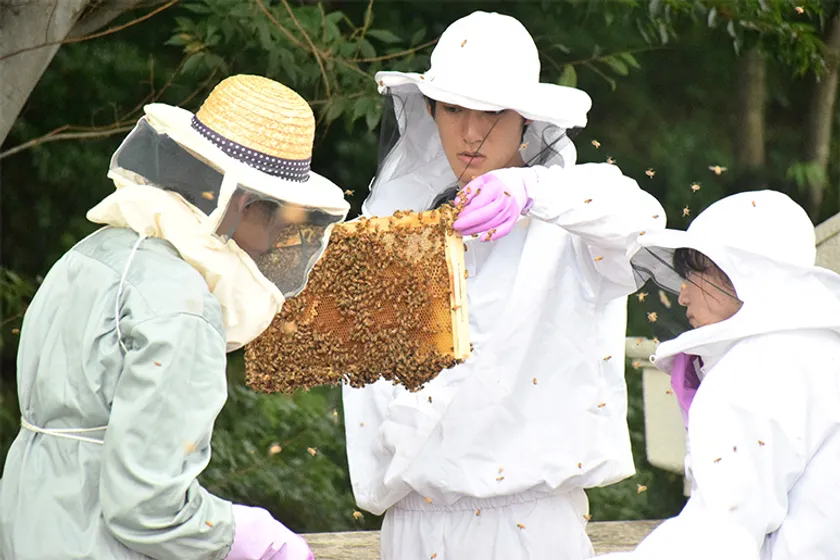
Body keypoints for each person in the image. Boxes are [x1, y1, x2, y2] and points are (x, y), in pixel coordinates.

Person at [342, 11, 667, 559]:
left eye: (493, 112)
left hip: (527, 528)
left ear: (527, 118)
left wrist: (532, 189)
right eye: (453, 109)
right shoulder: (396, 219)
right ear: (430, 110)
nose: (471, 132)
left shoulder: (571, 218)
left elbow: (643, 222)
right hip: (409, 528)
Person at [0, 75, 350, 559]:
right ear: (246, 204)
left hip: (31, 529)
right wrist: (236, 534)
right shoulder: (182, 305)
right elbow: (149, 509)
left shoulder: (91, 253)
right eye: (284, 219)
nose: (278, 242)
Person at [599, 190, 840, 560]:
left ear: (740, 273)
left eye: (695, 274)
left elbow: (718, 537)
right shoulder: (819, 349)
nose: (681, 297)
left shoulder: (754, 371)